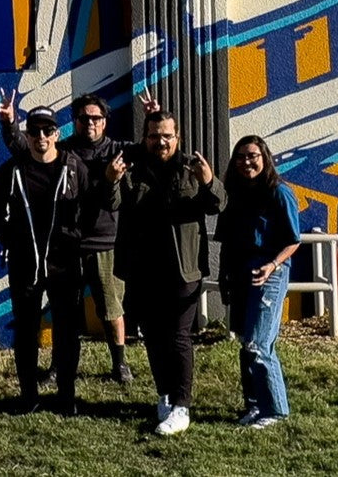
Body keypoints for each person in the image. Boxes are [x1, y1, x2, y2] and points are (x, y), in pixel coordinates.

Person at [106, 100, 225, 437]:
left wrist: (209, 181)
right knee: (155, 338)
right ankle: (165, 395)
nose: (161, 142)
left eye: (168, 136)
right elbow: (110, 203)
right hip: (143, 269)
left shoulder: (191, 168)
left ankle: (182, 406)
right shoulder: (132, 169)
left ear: (178, 138)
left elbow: (218, 204)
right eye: (155, 135)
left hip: (184, 270)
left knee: (179, 337)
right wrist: (111, 180)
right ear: (145, 137)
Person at [0, 105, 93, 414]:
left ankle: (66, 396)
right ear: (27, 134)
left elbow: (90, 210)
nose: (40, 137)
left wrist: (75, 242)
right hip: (25, 264)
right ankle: (29, 396)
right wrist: (13, 242)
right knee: (26, 330)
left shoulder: (74, 167)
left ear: (57, 134)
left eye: (47, 130)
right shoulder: (12, 170)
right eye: (34, 131)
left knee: (66, 330)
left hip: (64, 264)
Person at [215, 135, 302, 430]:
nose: (246, 162)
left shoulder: (278, 192)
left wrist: (272, 265)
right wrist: (224, 276)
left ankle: (275, 410)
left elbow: (293, 240)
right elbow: (226, 239)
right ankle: (253, 405)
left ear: (265, 158)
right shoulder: (234, 193)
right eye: (240, 157)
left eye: (252, 156)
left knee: (259, 343)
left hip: (269, 273)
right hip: (239, 273)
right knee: (245, 343)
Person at [63, 92, 134, 384]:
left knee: (111, 307)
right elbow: (25, 149)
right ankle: (61, 366)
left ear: (105, 122)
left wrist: (154, 117)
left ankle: (120, 364)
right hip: (68, 243)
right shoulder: (63, 150)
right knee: (66, 310)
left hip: (106, 242)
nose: (89, 123)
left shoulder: (118, 150)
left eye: (96, 118)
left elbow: (152, 149)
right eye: (83, 118)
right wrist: (9, 126)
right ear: (75, 121)